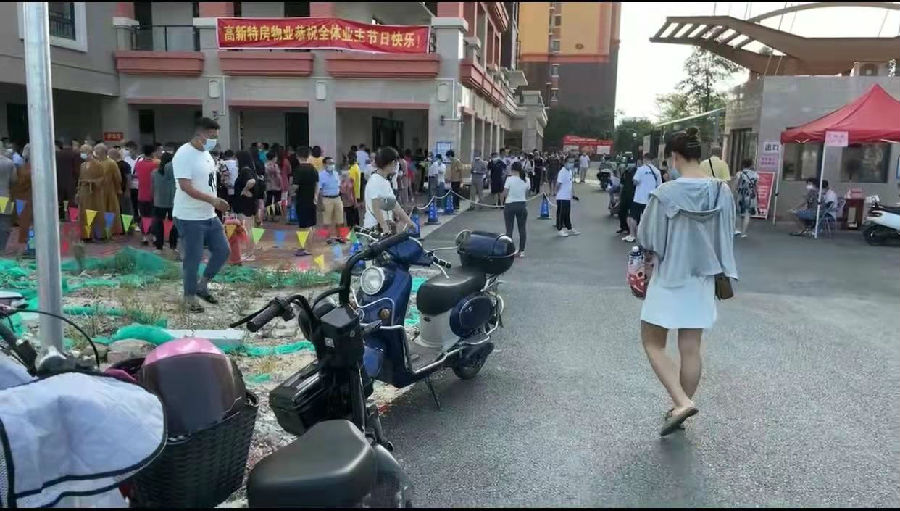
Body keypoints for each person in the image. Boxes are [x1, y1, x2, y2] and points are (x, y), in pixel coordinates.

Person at [636, 126, 737, 436]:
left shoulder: (665, 193)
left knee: (652, 342)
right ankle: (680, 406)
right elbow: (728, 233)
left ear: (675, 156)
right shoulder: (721, 191)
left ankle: (681, 402)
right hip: (704, 278)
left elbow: (648, 238)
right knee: (691, 347)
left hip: (670, 275)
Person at [171, 117, 231, 313]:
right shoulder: (183, 155)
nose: (214, 140)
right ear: (200, 134)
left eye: (216, 136)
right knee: (193, 258)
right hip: (189, 217)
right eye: (211, 136)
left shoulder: (206, 154)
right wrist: (212, 200)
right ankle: (189, 298)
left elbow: (208, 182)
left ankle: (202, 285)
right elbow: (185, 187)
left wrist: (215, 201)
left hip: (209, 215)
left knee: (223, 250)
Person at [363, 147, 413, 233]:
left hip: (383, 227)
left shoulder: (384, 181)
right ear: (392, 162)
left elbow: (394, 205)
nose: (396, 165)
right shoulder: (375, 180)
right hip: (374, 228)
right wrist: (384, 227)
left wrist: (409, 222)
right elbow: (375, 206)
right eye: (396, 162)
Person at [623, 153, 662, 243]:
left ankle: (632, 235)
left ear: (644, 159)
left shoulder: (641, 169)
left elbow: (635, 181)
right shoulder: (656, 171)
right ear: (652, 160)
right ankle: (647, 238)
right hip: (650, 199)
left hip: (639, 198)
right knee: (648, 219)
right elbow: (659, 185)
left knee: (632, 217)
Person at [292, 146, 319, 257]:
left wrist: (291, 193)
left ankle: (302, 247)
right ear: (308, 156)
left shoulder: (298, 170)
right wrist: (316, 196)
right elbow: (317, 184)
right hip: (311, 200)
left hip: (302, 200)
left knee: (302, 226)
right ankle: (310, 248)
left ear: (297, 156)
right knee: (311, 225)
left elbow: (295, 186)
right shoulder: (313, 169)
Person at [233, 151, 259, 261]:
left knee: (247, 229)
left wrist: (244, 189)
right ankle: (249, 252)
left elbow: (251, 181)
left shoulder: (245, 171)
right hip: (249, 203)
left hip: (244, 204)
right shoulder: (250, 170)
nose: (235, 161)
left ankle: (249, 253)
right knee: (249, 229)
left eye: (236, 159)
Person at [76, 144, 105, 242]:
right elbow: (80, 179)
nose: (82, 154)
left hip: (94, 193)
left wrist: (92, 182)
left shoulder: (98, 164)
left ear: (89, 153)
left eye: (83, 152)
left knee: (95, 213)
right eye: (81, 152)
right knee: (84, 214)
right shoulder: (82, 165)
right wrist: (78, 191)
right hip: (84, 192)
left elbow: (102, 178)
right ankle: (86, 235)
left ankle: (98, 234)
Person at [151, 151, 179, 255]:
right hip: (173, 202)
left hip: (159, 201)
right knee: (174, 225)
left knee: (159, 224)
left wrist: (153, 198)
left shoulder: (154, 173)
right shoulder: (175, 173)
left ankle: (159, 246)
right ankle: (173, 246)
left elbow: (152, 188)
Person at [95, 143, 123, 238]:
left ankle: (111, 230)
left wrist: (118, 189)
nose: (96, 153)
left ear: (103, 152)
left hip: (109, 191)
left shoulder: (111, 163)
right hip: (98, 192)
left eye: (98, 151)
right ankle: (100, 231)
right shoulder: (96, 162)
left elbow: (117, 178)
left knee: (110, 211)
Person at [501, 161, 530, 258]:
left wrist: (502, 202)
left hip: (510, 204)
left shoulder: (509, 179)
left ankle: (509, 250)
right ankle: (522, 250)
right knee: (522, 229)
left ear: (512, 169)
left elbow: (505, 193)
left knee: (509, 229)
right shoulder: (526, 180)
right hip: (521, 205)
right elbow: (526, 193)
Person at [133, 146, 159, 245]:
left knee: (144, 216)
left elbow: (136, 175)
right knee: (154, 216)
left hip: (141, 194)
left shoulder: (138, 164)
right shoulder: (156, 164)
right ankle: (155, 237)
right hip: (153, 194)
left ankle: (145, 237)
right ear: (152, 153)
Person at [318, 156, 344, 244]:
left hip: (337, 198)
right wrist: (320, 203)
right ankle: (326, 238)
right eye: (329, 163)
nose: (331, 165)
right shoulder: (321, 175)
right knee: (326, 221)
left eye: (332, 163)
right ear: (324, 164)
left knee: (340, 220)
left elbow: (339, 186)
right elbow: (319, 190)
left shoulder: (336, 174)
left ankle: (340, 237)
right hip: (326, 199)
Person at [733, 158, 759, 238]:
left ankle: (738, 229)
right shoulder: (755, 174)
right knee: (747, 214)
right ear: (751, 165)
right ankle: (743, 233)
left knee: (738, 213)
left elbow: (735, 185)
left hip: (741, 195)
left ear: (743, 165)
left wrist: (734, 192)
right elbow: (756, 186)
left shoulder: (739, 174)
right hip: (751, 196)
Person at [556, 157, 580, 237]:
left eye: (572, 162)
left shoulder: (570, 171)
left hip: (567, 197)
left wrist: (573, 194)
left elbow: (570, 184)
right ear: (565, 163)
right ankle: (559, 229)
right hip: (561, 197)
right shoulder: (562, 172)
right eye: (570, 162)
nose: (571, 164)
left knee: (567, 214)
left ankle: (569, 228)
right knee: (561, 214)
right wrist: (557, 193)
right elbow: (558, 184)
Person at [109, 148, 133, 223]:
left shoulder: (124, 165)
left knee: (126, 210)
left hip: (123, 190)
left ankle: (128, 226)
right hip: (113, 192)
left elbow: (128, 178)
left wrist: (127, 190)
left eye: (109, 155)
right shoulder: (111, 165)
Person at [0, 146, 16, 252]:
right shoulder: (9, 163)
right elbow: (14, 180)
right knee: (5, 224)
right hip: (5, 196)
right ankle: (2, 248)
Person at [618, 163, 636, 235]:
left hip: (632, 195)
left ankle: (628, 229)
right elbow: (621, 185)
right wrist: (620, 196)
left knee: (630, 213)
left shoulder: (636, 174)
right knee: (622, 211)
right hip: (626, 195)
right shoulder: (625, 174)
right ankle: (624, 228)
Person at [264, 150, 283, 222]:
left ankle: (268, 215)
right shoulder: (275, 166)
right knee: (277, 201)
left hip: (268, 185)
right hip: (276, 186)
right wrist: (281, 184)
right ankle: (276, 216)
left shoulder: (265, 165)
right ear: (274, 158)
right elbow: (278, 176)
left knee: (268, 200)